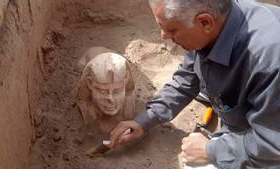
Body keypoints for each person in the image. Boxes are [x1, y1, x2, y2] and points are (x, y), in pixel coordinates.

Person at [109, 0, 280, 168]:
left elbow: (272, 144)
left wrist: (210, 150)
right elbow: (187, 78)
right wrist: (145, 119)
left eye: (171, 29)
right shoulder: (217, 23)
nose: (164, 36)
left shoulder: (268, 63)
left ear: (205, 22)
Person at [77, 48, 135, 132]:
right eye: (103, 92)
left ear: (126, 81)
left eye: (117, 91)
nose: (111, 99)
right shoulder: (88, 107)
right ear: (89, 84)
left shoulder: (128, 107)